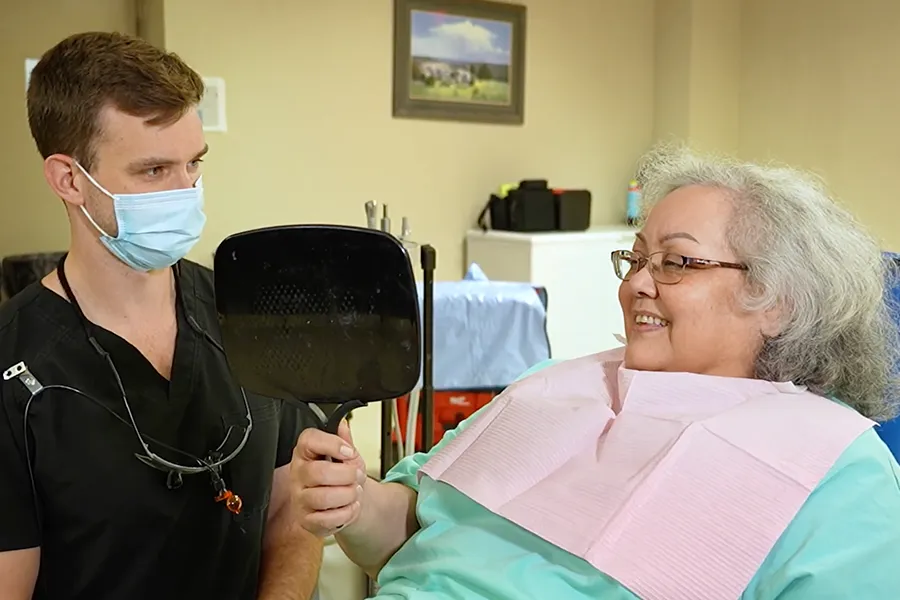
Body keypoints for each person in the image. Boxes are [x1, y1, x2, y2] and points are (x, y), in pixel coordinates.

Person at [293, 146, 900, 599]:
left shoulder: (832, 467)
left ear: (775, 301)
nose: (636, 282)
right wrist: (354, 501)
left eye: (676, 262)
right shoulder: (557, 384)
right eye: (636, 258)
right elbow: (408, 530)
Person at [0, 32, 322, 599]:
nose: (186, 192)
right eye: (153, 171)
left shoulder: (250, 315)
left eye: (193, 163)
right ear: (69, 179)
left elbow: (290, 514)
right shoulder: (14, 365)